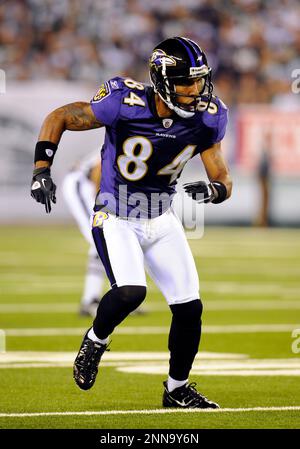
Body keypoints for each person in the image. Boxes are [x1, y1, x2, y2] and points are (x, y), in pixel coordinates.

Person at [31, 36, 232, 409]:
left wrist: (216, 190)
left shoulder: (208, 116)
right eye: (186, 82)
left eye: (200, 80)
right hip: (116, 214)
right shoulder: (124, 102)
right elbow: (58, 116)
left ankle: (177, 389)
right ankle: (96, 339)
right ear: (161, 82)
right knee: (130, 292)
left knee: (189, 307)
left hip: (161, 216)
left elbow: (222, 175)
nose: (196, 90)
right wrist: (42, 168)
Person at [62, 152, 105, 317]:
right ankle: (90, 300)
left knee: (108, 240)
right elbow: (99, 167)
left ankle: (122, 295)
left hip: (93, 185)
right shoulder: (134, 132)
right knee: (99, 239)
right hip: (82, 184)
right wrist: (100, 200)